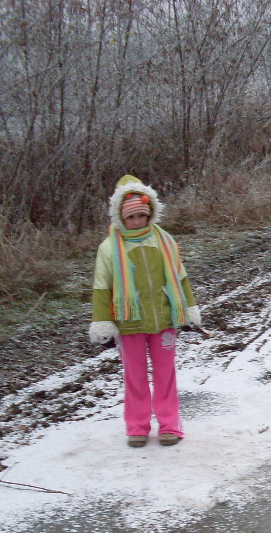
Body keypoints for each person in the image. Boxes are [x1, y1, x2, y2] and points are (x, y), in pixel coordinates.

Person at [88, 175, 201, 447]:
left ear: (151, 213)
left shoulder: (165, 241)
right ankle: (137, 427)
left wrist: (187, 310)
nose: (137, 222)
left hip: (164, 320)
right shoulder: (109, 249)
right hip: (129, 323)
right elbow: (102, 287)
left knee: (166, 374)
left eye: (142, 215)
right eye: (131, 217)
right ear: (119, 217)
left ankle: (170, 425)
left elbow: (180, 277)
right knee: (135, 376)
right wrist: (103, 324)